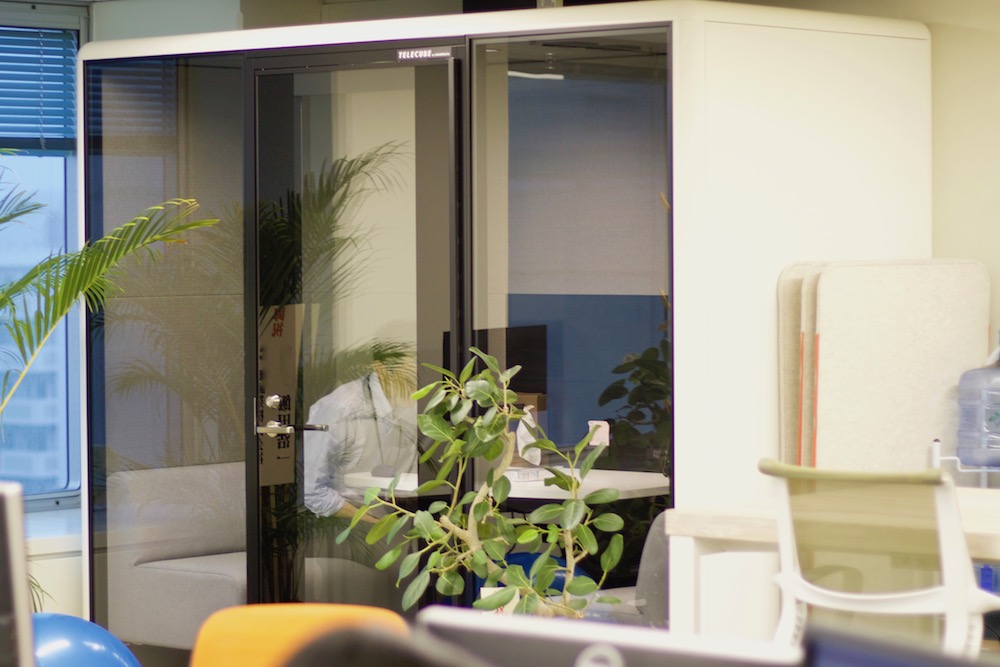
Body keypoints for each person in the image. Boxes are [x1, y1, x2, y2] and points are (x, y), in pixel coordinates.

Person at [302, 365, 417, 520]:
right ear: (380, 367)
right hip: (351, 522)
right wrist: (379, 525)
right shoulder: (339, 409)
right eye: (408, 367)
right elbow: (313, 493)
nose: (415, 373)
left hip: (403, 514)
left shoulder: (412, 402)